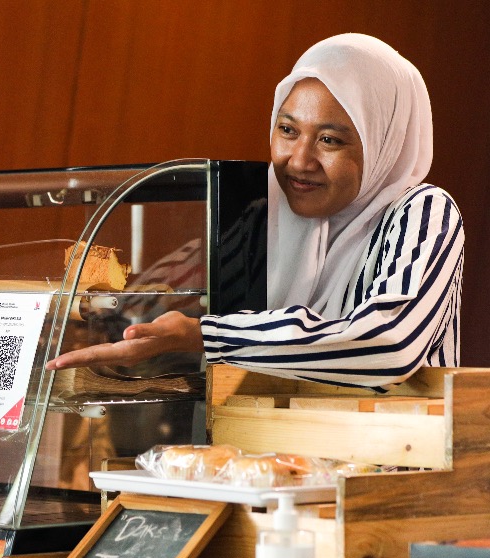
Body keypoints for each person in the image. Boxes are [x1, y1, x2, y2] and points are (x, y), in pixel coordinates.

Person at [47, 33, 464, 389]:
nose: (299, 161)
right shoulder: (259, 221)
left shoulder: (423, 213)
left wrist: (206, 335)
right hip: (277, 469)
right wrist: (93, 313)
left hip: (399, 474)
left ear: (383, 142)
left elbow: (386, 344)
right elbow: (160, 297)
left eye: (330, 140)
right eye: (287, 130)